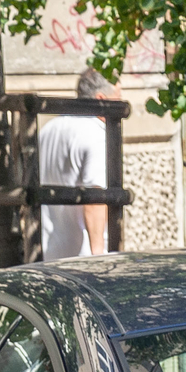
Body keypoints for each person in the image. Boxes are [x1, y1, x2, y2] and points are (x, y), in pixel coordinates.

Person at [38, 68, 121, 262]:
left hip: (46, 251)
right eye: (118, 97)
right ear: (102, 99)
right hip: (80, 257)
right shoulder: (96, 134)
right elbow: (95, 198)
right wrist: (98, 256)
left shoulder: (49, 129)